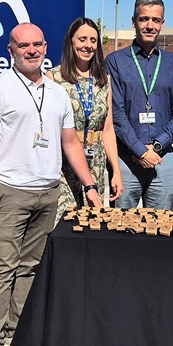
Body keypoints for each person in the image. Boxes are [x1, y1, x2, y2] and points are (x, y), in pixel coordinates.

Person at [0, 23, 103, 346]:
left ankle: (17, 334)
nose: (32, 50)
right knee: (2, 268)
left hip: (49, 191)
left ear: (46, 47)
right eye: (23, 45)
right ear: (10, 50)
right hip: (10, 191)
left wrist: (89, 186)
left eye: (37, 44)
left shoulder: (58, 93)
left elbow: (71, 144)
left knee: (30, 267)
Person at [105, 0, 173, 209]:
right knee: (121, 228)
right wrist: (140, 150)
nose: (149, 25)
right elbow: (116, 113)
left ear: (162, 24)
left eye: (155, 20)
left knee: (160, 231)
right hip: (125, 160)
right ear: (134, 22)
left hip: (163, 157)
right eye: (144, 19)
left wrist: (157, 146)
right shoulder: (115, 62)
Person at [48, 17, 123, 215]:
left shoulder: (103, 80)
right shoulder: (53, 78)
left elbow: (107, 129)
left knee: (92, 221)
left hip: (96, 162)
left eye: (93, 40)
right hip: (64, 163)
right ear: (71, 42)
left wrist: (116, 170)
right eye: (82, 39)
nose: (88, 45)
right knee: (64, 221)